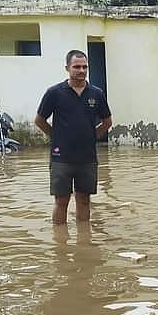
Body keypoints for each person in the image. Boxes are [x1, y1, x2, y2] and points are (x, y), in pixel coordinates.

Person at [35, 49, 113, 224]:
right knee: (61, 201)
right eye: (76, 67)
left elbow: (107, 122)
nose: (81, 70)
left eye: (85, 67)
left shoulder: (96, 94)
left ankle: (84, 241)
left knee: (84, 200)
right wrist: (56, 137)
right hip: (61, 158)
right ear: (67, 68)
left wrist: (92, 137)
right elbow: (39, 120)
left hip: (87, 158)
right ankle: (60, 243)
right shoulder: (54, 93)